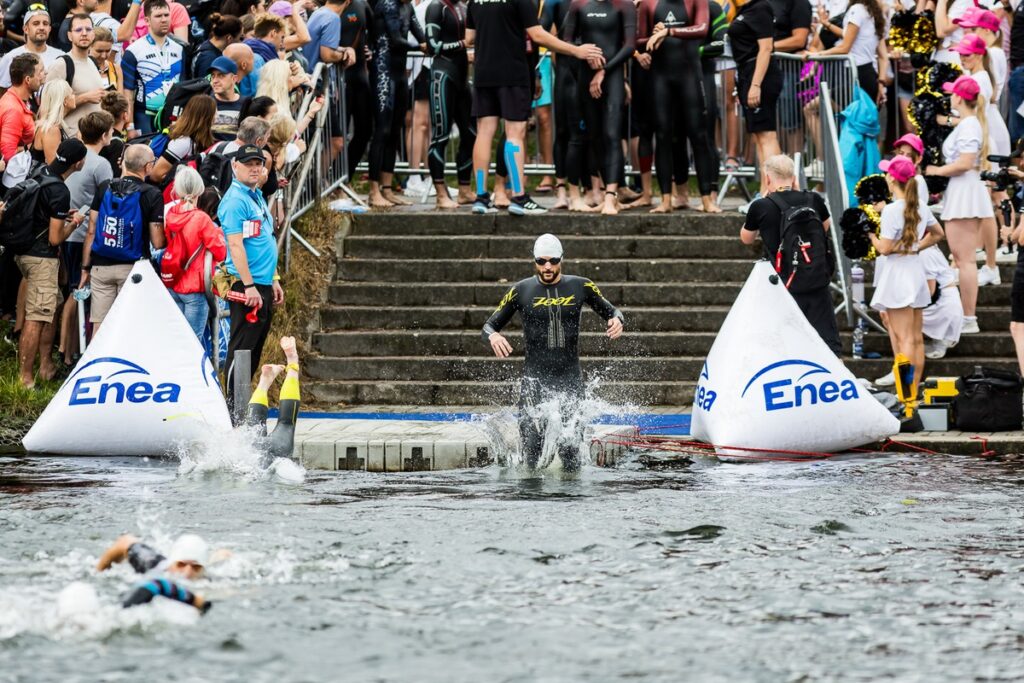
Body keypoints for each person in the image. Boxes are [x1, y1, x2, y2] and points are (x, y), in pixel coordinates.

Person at [482, 233, 625, 471]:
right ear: (534, 261)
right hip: (535, 380)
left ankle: (570, 502)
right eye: (541, 261)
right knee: (531, 450)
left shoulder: (582, 285)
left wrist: (617, 320)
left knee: (570, 452)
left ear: (561, 259)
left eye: (553, 261)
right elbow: (488, 326)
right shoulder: (521, 290)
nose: (547, 267)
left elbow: (613, 311)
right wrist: (494, 335)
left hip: (569, 378)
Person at [466, 0, 603, 216]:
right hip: (512, 72)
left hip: (484, 71)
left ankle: (481, 197)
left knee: (484, 132)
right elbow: (538, 35)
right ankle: (519, 197)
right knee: (515, 133)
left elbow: (469, 38)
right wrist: (575, 50)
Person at [740, 154, 842, 354]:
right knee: (828, 343)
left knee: (785, 344)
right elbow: (825, 227)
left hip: (782, 284)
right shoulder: (813, 199)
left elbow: (746, 238)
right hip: (816, 278)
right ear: (793, 177)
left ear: (767, 179)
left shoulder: (760, 206)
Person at [11, 138, 88, 389]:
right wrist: (74, 223)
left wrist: (61, 215)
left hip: (23, 251)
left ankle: (46, 366)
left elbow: (40, 209)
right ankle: (25, 379)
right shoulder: (61, 191)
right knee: (36, 317)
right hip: (41, 258)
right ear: (79, 163)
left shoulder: (41, 171)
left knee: (50, 308)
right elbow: (55, 238)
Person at [869, 155, 944, 398]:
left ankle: (906, 397)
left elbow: (884, 248)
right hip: (914, 272)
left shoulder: (891, 210)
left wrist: (869, 233)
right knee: (915, 340)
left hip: (898, 277)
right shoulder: (920, 206)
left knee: (904, 342)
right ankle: (912, 394)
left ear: (892, 178)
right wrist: (914, 248)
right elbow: (937, 234)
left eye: (888, 173)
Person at [636, 0, 719, 214]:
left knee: (698, 136)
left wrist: (668, 32)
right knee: (663, 136)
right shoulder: (649, 3)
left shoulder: (696, 1)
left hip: (690, 76)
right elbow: (639, 41)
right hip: (661, 79)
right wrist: (655, 34)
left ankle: (707, 199)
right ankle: (665, 201)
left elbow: (702, 29)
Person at [925, 75, 992, 335]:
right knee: (962, 259)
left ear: (959, 98)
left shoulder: (969, 126)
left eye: (953, 93)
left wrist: (936, 170)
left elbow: (965, 162)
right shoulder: (968, 123)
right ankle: (966, 315)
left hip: (965, 193)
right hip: (962, 192)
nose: (950, 97)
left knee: (964, 260)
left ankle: (968, 317)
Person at [217, 143, 283, 397]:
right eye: (249, 165)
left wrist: (274, 278)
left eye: (259, 164)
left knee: (254, 348)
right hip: (247, 284)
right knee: (242, 348)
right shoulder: (235, 201)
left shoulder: (254, 195)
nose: (255, 169)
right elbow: (235, 245)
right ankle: (235, 408)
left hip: (262, 282)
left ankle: (242, 404)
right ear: (235, 167)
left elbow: (263, 238)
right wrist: (248, 286)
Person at [80, 144, 166, 336]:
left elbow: (92, 231)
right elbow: (158, 241)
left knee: (100, 327)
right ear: (147, 167)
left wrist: (85, 268)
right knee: (130, 326)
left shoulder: (104, 188)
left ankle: (98, 365)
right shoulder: (152, 194)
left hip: (101, 267)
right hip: (133, 269)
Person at [564, 0, 636, 216]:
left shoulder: (624, 5)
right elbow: (566, 41)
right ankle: (606, 190)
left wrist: (604, 70)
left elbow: (630, 46)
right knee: (595, 137)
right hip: (586, 76)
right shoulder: (579, 4)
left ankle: (610, 197)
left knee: (612, 134)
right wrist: (584, 57)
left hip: (612, 75)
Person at [60, 111, 115, 364]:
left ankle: (67, 349)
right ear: (104, 135)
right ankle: (68, 352)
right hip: (83, 235)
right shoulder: (101, 164)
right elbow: (109, 201)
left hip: (67, 230)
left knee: (72, 290)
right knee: (77, 291)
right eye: (112, 132)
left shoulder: (76, 156)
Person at [366, 0, 425, 209]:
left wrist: (431, 43)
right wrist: (422, 47)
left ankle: (387, 188)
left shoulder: (407, 6)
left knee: (395, 131)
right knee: (382, 130)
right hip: (383, 72)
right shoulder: (387, 4)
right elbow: (396, 40)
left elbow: (419, 32)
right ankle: (374, 190)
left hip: (399, 74)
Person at [163, 166, 227, 339]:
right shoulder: (201, 218)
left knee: (176, 339)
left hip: (173, 283)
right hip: (195, 287)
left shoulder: (170, 214)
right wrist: (219, 233)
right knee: (192, 343)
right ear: (200, 189)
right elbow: (221, 253)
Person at [726, 0, 781, 198]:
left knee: (767, 136)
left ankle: (775, 191)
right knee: (760, 136)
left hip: (760, 75)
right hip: (747, 73)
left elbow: (766, 48)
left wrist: (756, 85)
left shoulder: (760, 7)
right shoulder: (743, 10)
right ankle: (765, 191)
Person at [424, 0, 476, 209]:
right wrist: (464, 43)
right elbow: (433, 46)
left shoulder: (464, 7)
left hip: (461, 80)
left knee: (471, 133)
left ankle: (464, 189)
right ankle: (440, 193)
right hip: (442, 77)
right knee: (441, 136)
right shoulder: (437, 8)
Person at [96, 533, 212, 613]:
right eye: (181, 564)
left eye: (196, 567)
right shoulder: (152, 563)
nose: (187, 572)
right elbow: (125, 541)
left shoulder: (209, 582)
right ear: (170, 564)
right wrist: (99, 573)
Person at [122, 0, 185, 134]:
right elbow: (127, 92)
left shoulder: (180, 49)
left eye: (166, 15)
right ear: (147, 20)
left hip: (173, 117)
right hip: (144, 116)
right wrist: (130, 126)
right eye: (158, 16)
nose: (164, 20)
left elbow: (184, 85)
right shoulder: (133, 50)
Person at [811, 0, 886, 101]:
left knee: (812, 109)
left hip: (856, 75)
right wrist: (827, 24)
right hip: (867, 74)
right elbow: (848, 35)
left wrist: (818, 54)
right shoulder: (871, 11)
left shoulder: (857, 10)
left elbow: (845, 47)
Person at [244, 335, 301, 466]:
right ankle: (289, 361)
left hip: (258, 454)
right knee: (256, 427)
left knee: (285, 423)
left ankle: (291, 362)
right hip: (257, 450)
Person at [46, 13, 105, 130]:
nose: (84, 33)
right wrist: (84, 98)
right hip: (73, 139)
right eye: (78, 30)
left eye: (88, 29)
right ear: (69, 36)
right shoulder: (61, 64)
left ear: (93, 35)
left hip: (97, 138)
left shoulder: (93, 61)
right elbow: (48, 112)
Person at [150, 94, 216, 185]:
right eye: (214, 113)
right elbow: (156, 175)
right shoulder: (183, 142)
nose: (216, 117)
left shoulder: (195, 139)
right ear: (206, 117)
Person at [340, 0, 372, 182]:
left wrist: (371, 49)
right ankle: (332, 181)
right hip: (339, 79)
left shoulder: (362, 5)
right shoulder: (330, 7)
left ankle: (346, 178)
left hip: (359, 77)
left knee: (365, 130)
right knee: (337, 136)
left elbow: (376, 31)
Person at [0, 6, 64, 90]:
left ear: (49, 29)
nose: (41, 28)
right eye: (36, 23)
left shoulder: (61, 57)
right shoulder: (11, 57)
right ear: (26, 29)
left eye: (45, 24)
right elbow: (2, 92)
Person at [0, 53, 43, 163]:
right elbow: (8, 156)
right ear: (28, 80)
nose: (44, 75)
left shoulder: (21, 99)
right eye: (40, 72)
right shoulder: (13, 110)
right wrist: (29, 147)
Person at [30, 80, 75, 165]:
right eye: (72, 94)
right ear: (65, 100)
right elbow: (54, 166)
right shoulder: (51, 130)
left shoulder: (54, 125)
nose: (74, 96)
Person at [207, 56, 248, 141]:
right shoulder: (206, 104)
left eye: (221, 76)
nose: (215, 80)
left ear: (234, 79)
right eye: (213, 76)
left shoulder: (246, 104)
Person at [192, 12, 243, 77]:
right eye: (240, 38)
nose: (241, 42)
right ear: (229, 38)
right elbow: (207, 85)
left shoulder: (207, 47)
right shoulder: (209, 58)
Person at [89, 26, 122, 91]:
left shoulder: (116, 69)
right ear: (89, 46)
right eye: (99, 51)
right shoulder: (78, 67)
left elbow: (121, 98)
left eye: (107, 51)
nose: (103, 56)